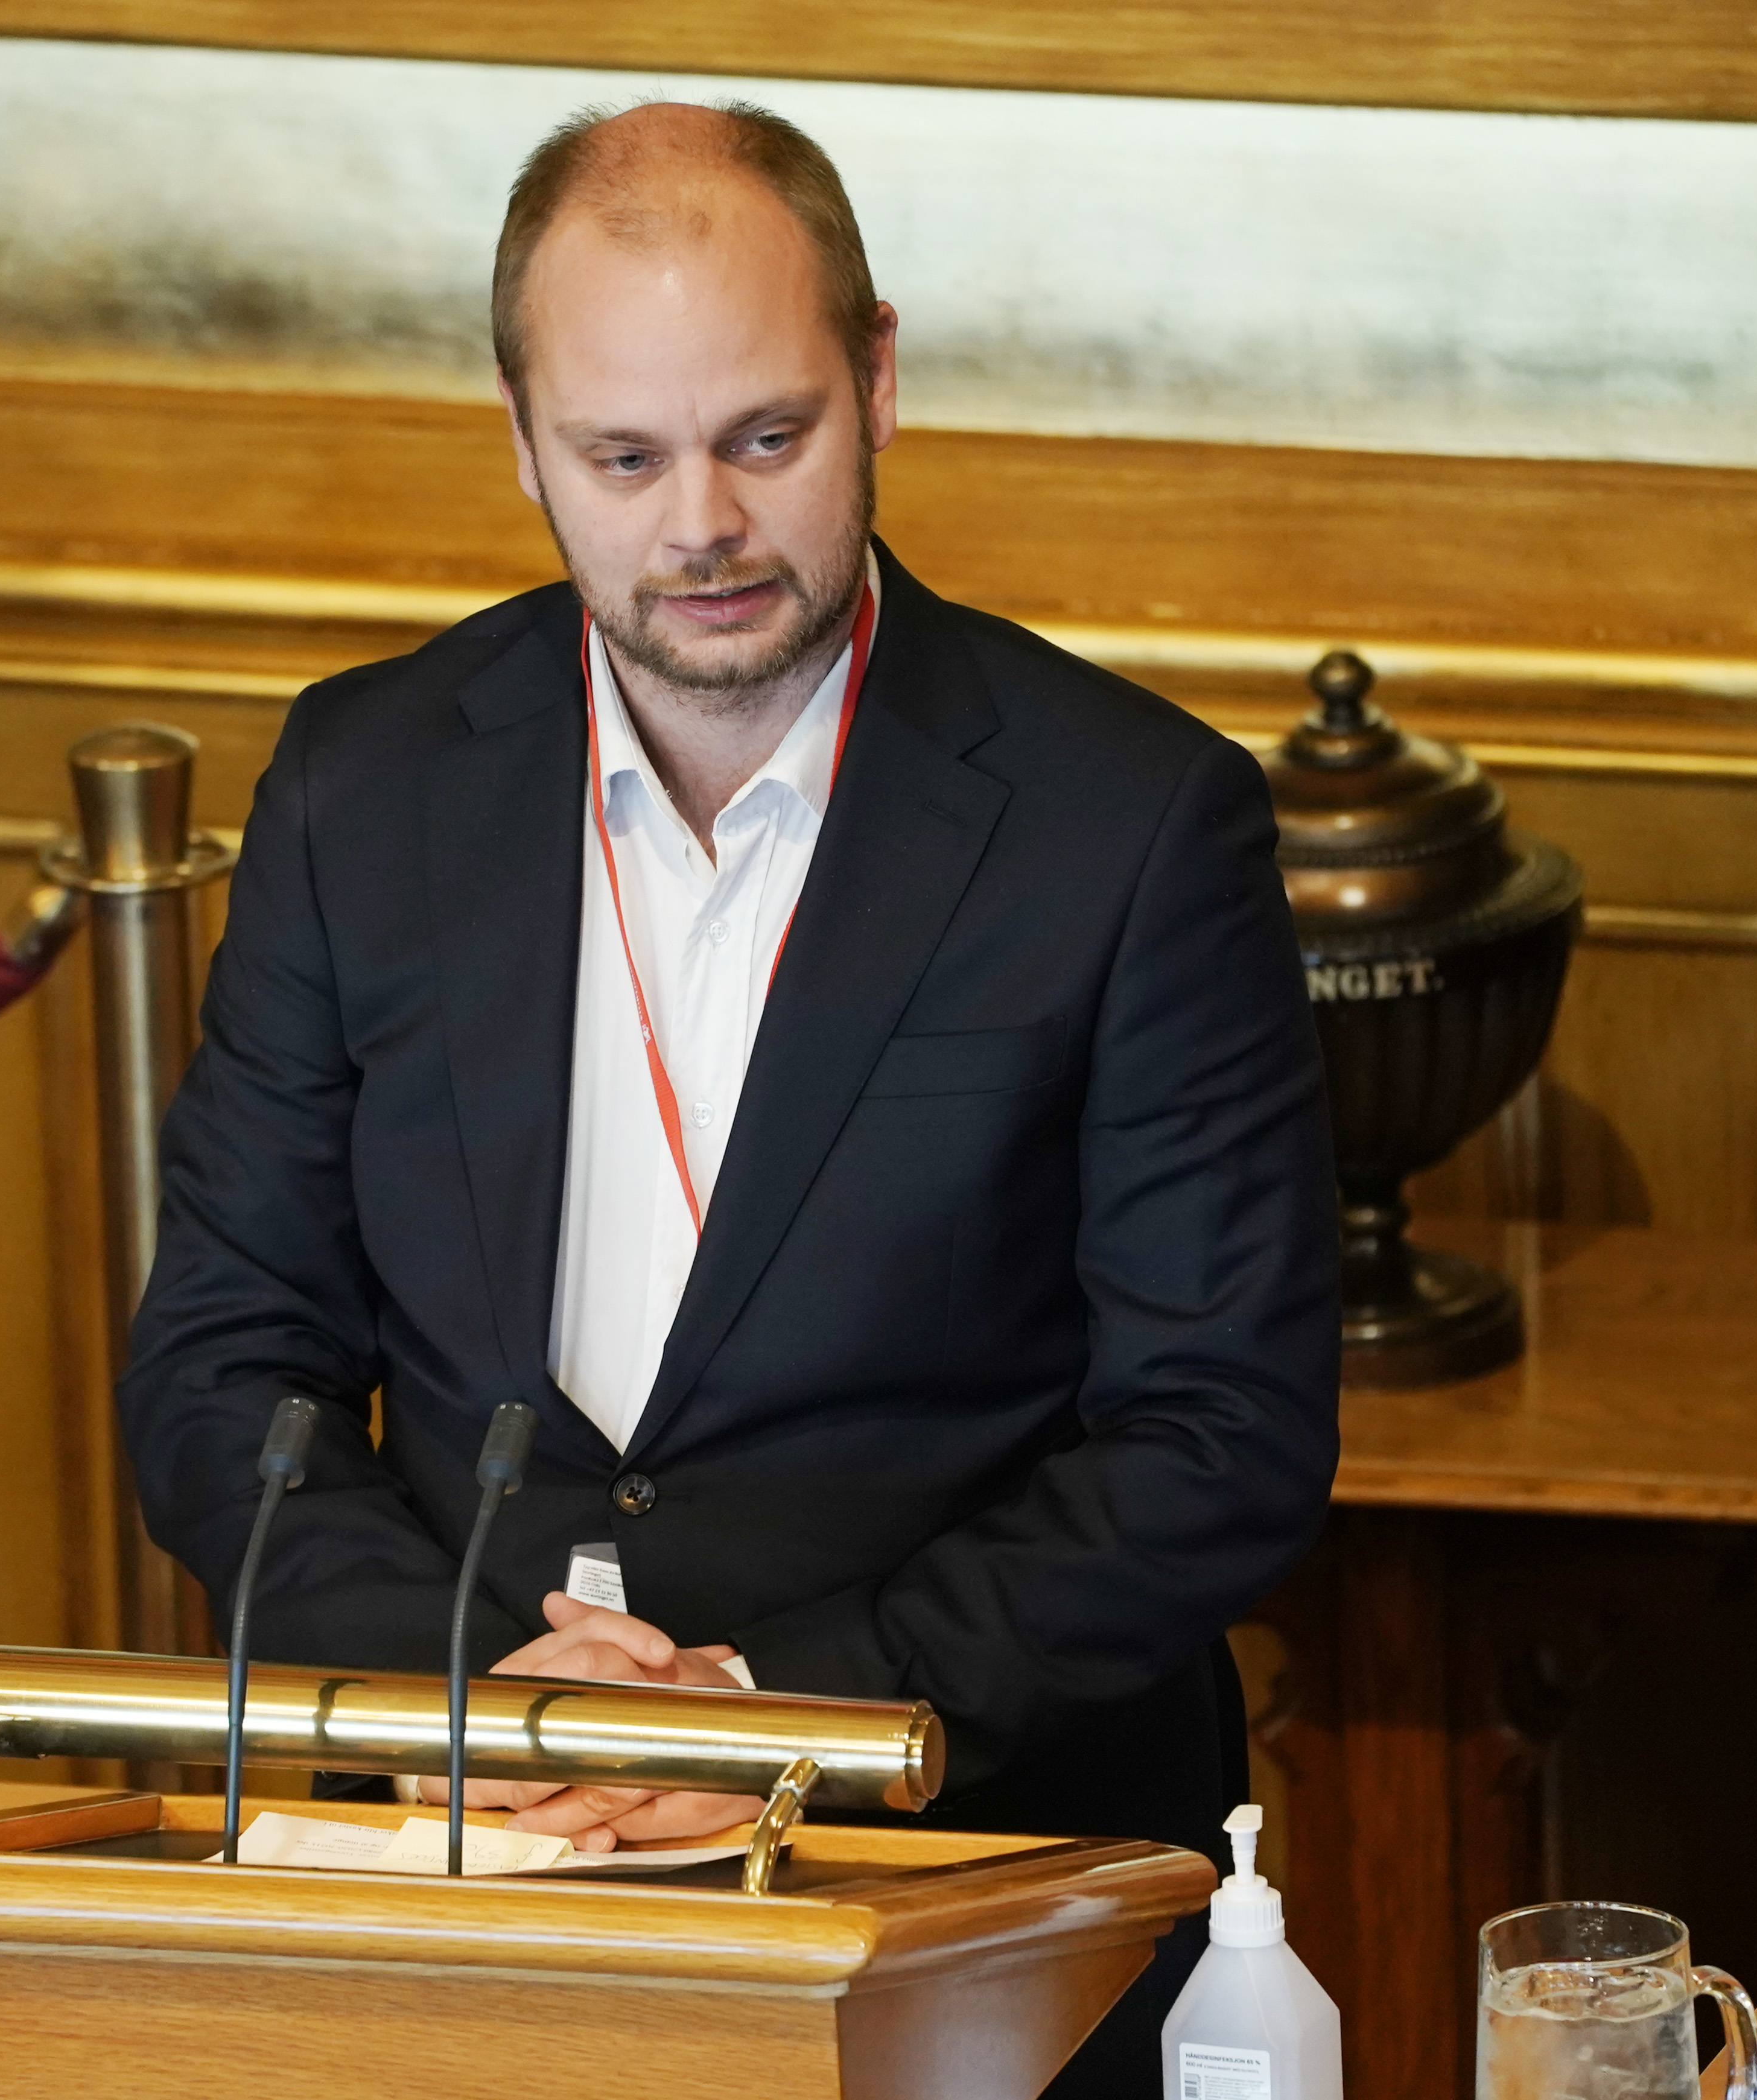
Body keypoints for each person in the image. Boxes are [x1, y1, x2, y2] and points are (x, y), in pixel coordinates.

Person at [118, 98, 1338, 2095]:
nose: (700, 522)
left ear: (875, 382)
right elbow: (219, 1370)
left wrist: (772, 1710)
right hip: (469, 1863)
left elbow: (1226, 1434)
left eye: (766, 437)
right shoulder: (362, 785)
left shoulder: (1130, 823)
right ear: (521, 442)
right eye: (624, 456)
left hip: (968, 1874)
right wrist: (480, 1691)